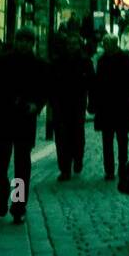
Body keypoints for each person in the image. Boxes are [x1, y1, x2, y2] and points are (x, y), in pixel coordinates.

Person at [0, 28, 49, 222]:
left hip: (25, 120)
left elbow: (44, 91)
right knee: (0, 165)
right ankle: (3, 192)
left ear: (33, 43)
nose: (24, 44)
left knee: (21, 166)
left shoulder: (40, 65)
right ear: (15, 41)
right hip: (3, 119)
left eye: (28, 41)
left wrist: (36, 105)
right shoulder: (3, 62)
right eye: (21, 40)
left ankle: (18, 205)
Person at [90, 32, 129, 180]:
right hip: (106, 106)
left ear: (114, 44)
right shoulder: (103, 59)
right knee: (107, 139)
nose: (104, 46)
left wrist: (127, 94)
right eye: (104, 44)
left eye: (106, 44)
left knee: (122, 138)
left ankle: (122, 166)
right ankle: (109, 169)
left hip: (121, 104)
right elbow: (97, 82)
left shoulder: (124, 58)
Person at [50, 32, 91, 181]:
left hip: (78, 104)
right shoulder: (58, 61)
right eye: (70, 44)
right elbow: (51, 83)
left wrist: (91, 102)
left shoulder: (85, 61)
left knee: (77, 135)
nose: (72, 47)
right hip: (61, 105)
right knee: (61, 138)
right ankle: (65, 168)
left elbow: (91, 83)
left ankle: (78, 158)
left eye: (75, 44)